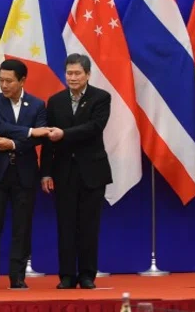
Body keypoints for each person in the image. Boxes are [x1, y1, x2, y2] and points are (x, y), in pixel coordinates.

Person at [41, 53, 113, 290]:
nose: (72, 77)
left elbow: (94, 127)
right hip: (63, 172)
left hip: (92, 171)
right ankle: (67, 276)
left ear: (88, 74)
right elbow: (49, 141)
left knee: (89, 226)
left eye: (77, 73)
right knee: (66, 225)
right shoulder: (55, 100)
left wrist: (65, 134)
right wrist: (46, 173)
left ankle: (87, 275)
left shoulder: (101, 97)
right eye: (69, 73)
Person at [0, 59, 50, 290]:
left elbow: (41, 137)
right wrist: (29, 132)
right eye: (0, 80)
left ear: (22, 80)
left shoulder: (38, 105)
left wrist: (12, 145)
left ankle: (17, 276)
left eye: (8, 80)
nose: (3, 85)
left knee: (22, 227)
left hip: (25, 172)